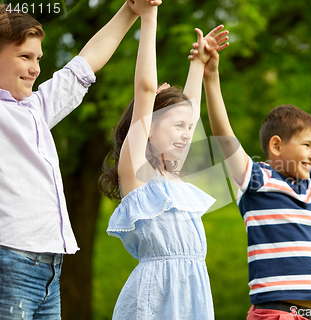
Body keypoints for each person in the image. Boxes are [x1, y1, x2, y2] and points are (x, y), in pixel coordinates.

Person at [196, 32, 311, 318]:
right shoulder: (257, 179)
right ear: (276, 146)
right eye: (306, 145)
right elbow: (225, 139)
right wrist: (211, 77)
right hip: (275, 313)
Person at [0, 1, 154, 318]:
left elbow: (85, 63)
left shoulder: (36, 110)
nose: (35, 68)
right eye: (24, 57)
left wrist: (130, 10)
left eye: (38, 58)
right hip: (10, 260)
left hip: (51, 265)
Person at [97, 0, 229, 316]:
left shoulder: (175, 178)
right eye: (177, 126)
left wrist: (198, 64)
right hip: (155, 296)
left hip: (193, 292)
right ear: (150, 126)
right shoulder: (138, 172)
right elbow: (145, 90)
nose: (187, 133)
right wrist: (149, 16)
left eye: (189, 127)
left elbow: (191, 113)